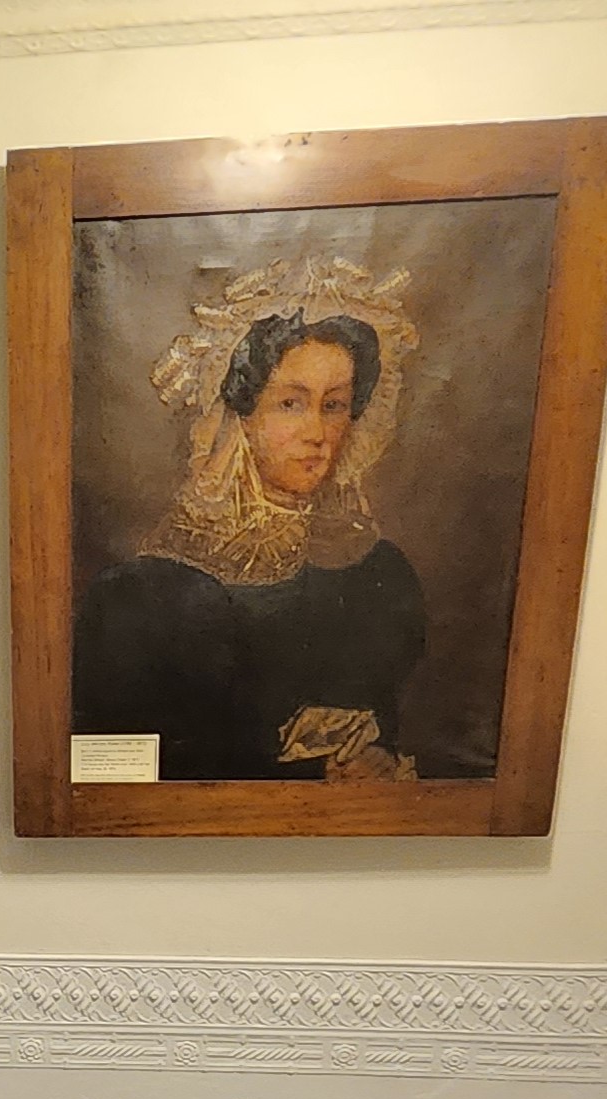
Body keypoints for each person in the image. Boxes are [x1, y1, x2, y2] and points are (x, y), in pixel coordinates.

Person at [73, 256, 426, 782]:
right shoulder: (139, 598)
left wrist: (376, 760)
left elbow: (398, 734)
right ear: (240, 414)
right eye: (290, 403)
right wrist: (294, 768)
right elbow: (112, 776)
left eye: (334, 406)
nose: (317, 432)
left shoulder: (379, 575)